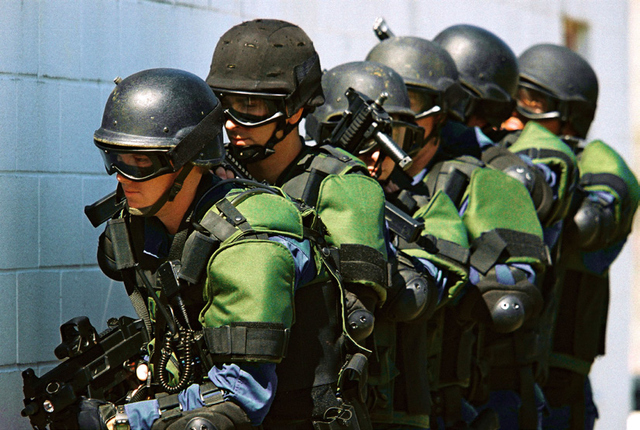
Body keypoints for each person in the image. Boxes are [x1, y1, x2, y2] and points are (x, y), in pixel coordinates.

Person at [82, 68, 316, 430]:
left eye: (141, 161)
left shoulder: (249, 247)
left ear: (189, 158)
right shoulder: (160, 229)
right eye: (113, 157)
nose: (121, 176)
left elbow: (239, 396)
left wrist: (119, 420)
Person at [206, 19, 389, 429]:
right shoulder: (213, 180)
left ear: (296, 108)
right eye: (224, 103)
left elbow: (355, 316)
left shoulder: (342, 186)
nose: (233, 121)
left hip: (308, 407)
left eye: (251, 106)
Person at [365, 35, 549, 430]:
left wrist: (456, 271)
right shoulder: (347, 177)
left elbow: (519, 287)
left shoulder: (483, 183)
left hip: (440, 401)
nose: (394, 115)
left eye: (410, 101)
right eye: (383, 100)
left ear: (441, 114)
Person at [306, 60, 471, 430]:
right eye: (365, 140)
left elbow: (424, 288)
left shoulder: (423, 205)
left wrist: (370, 234)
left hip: (394, 408)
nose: (379, 156)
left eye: (394, 140)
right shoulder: (298, 194)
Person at [511, 43, 640, 430]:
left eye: (531, 102)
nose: (515, 116)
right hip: (498, 378)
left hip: (559, 387)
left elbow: (591, 219)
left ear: (570, 115)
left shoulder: (595, 165)